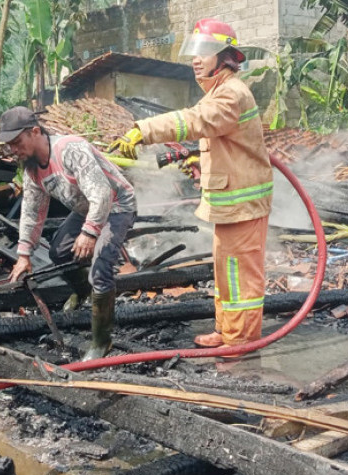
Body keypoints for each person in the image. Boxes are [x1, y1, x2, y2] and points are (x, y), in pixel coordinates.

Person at [109, 18, 273, 353]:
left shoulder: (230, 94)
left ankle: (241, 341)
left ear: (225, 56)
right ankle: (226, 331)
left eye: (204, 51)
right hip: (230, 205)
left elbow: (195, 121)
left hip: (242, 206)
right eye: (193, 52)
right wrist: (201, 160)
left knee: (241, 275)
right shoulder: (219, 92)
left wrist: (143, 130)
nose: (195, 59)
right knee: (227, 271)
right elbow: (225, 142)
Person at [0, 106, 137, 361]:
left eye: (17, 142)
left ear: (35, 131)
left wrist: (90, 233)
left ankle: (101, 342)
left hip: (116, 204)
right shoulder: (31, 168)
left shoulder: (69, 149)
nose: (14, 149)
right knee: (59, 251)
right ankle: (82, 290)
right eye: (10, 145)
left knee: (101, 268)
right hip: (85, 207)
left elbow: (102, 193)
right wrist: (24, 254)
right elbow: (32, 211)